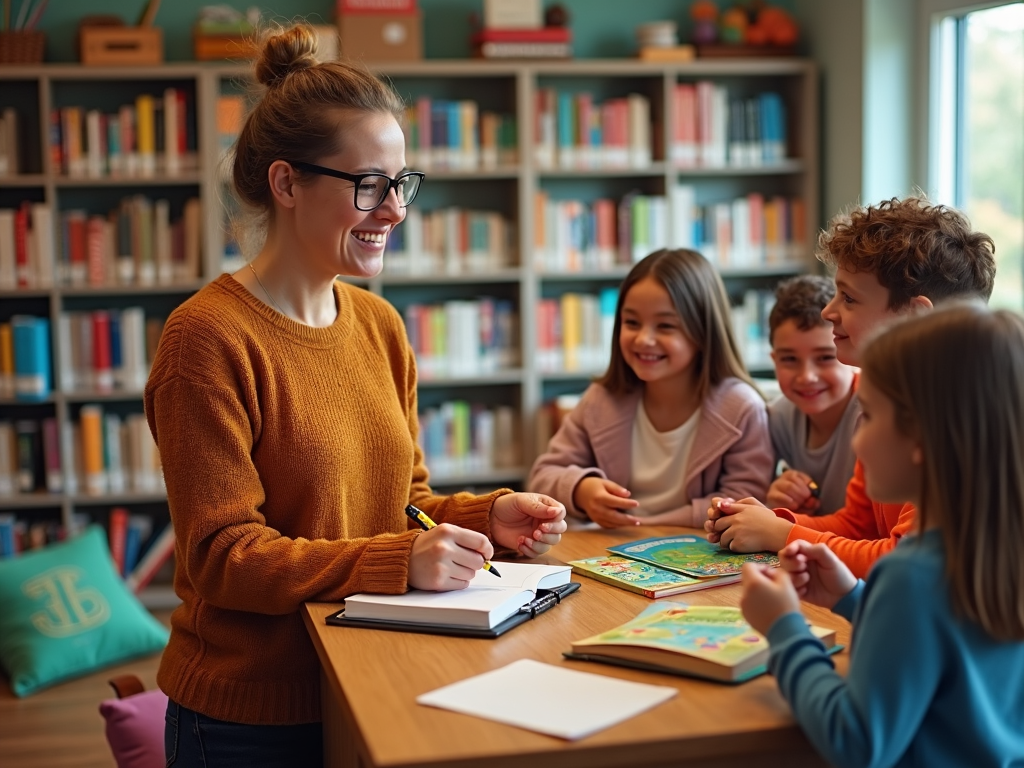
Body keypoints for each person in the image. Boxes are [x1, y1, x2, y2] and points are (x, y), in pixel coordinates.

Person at [144, 25, 566, 767]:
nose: (396, 210)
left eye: (402, 182)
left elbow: (404, 499)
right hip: (250, 720)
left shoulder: (378, 322)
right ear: (286, 183)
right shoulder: (206, 338)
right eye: (370, 185)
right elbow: (222, 557)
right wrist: (400, 561)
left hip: (373, 677)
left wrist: (485, 517)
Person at [739, 304, 1024, 767]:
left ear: (919, 439)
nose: (855, 441)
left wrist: (784, 629)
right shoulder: (994, 548)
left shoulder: (911, 573)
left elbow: (856, 742)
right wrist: (854, 596)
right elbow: (947, 644)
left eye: (867, 416)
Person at [706, 197, 996, 576]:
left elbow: (902, 562)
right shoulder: (887, 403)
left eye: (849, 297)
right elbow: (859, 527)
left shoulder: (958, 424)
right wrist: (764, 522)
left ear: (914, 316)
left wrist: (783, 533)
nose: (829, 312)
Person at [528, 248, 772, 528]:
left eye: (665, 326)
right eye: (631, 322)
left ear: (703, 332)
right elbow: (543, 476)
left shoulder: (742, 408)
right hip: (610, 553)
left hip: (696, 555)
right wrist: (582, 490)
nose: (644, 339)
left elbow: (743, 503)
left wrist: (644, 523)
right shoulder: (602, 399)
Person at [765, 275, 859, 516]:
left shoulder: (873, 414)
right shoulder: (778, 417)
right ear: (774, 361)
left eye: (825, 358)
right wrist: (779, 496)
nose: (807, 376)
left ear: (851, 356)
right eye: (789, 359)